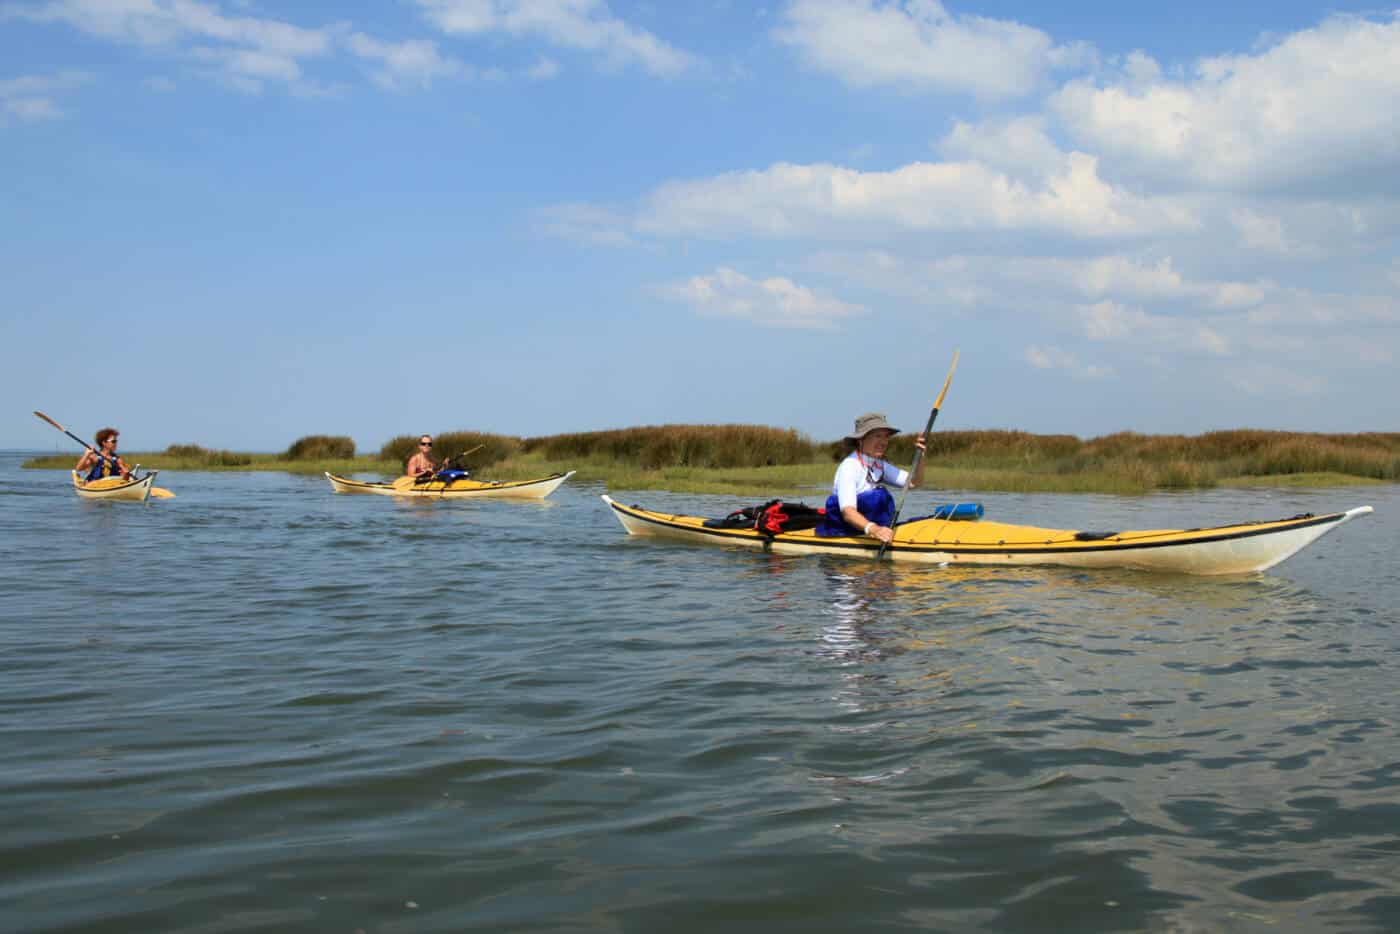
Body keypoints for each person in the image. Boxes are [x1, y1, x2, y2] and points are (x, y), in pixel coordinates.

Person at [815, 413, 926, 543]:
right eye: (877, 436)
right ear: (861, 439)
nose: (883, 442)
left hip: (874, 528)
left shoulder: (879, 464)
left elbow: (913, 482)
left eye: (886, 437)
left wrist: (922, 455)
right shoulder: (849, 467)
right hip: (844, 531)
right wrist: (875, 530)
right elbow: (848, 512)